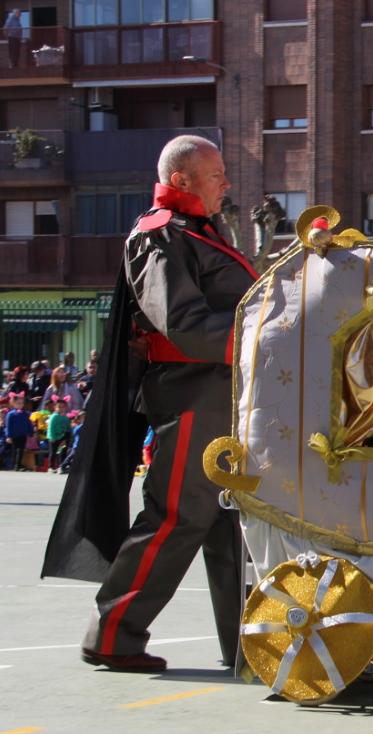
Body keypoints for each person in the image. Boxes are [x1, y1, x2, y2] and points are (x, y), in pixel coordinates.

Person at [42, 135, 259, 673]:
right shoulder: (159, 235)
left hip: (223, 390)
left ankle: (249, 643)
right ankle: (113, 633)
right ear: (181, 180)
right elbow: (182, 325)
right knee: (178, 515)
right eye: (216, 174)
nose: (226, 183)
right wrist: (267, 335)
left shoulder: (199, 233)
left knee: (228, 522)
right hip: (192, 389)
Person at [3, 392, 31, 470]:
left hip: (23, 435)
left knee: (21, 450)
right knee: (15, 450)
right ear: (13, 403)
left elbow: (28, 423)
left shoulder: (25, 413)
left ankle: (19, 464)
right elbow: (8, 426)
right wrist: (8, 436)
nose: (20, 405)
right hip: (14, 435)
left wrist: (30, 432)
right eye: (18, 403)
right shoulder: (10, 414)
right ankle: (15, 465)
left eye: (21, 403)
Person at [46, 397, 70, 472]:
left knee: (63, 451)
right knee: (53, 452)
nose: (61, 408)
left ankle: (61, 466)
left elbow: (67, 427)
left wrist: (66, 437)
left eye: (63, 407)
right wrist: (52, 437)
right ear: (55, 408)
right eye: (59, 407)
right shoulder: (54, 416)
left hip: (62, 437)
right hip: (54, 438)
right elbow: (51, 428)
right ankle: (51, 467)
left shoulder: (66, 417)